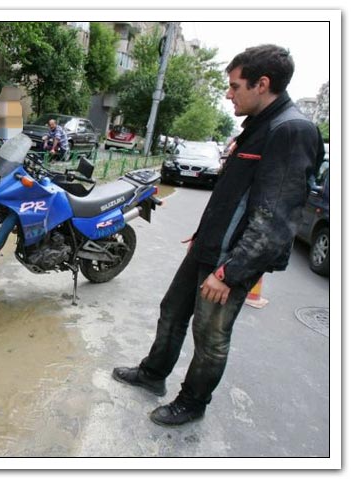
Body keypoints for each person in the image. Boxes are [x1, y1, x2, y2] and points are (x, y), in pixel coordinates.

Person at [112, 44, 325, 427]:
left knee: (210, 336)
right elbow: (234, 196)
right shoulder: (258, 126)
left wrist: (230, 273)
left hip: (231, 260)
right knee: (172, 311)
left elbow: (274, 221)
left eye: (235, 86)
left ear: (262, 84)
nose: (228, 94)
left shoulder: (291, 130)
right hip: (208, 247)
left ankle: (192, 402)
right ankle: (153, 373)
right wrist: (201, 236)